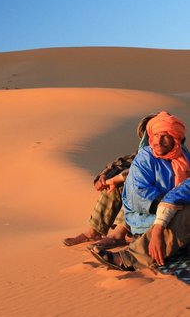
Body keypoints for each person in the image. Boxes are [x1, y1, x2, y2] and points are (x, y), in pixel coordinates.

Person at [90, 111, 190, 271]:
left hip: (171, 210)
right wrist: (168, 208)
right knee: (184, 211)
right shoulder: (144, 157)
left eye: (165, 135)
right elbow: (140, 194)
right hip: (147, 219)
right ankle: (129, 258)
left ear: (176, 139)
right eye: (155, 134)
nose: (158, 140)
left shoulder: (184, 159)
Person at [63, 115, 155, 247]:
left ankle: (119, 234)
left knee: (134, 187)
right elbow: (123, 162)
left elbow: (142, 172)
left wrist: (117, 178)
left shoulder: (175, 156)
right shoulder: (144, 153)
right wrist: (105, 176)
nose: (153, 138)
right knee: (113, 186)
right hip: (143, 212)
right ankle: (94, 231)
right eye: (150, 133)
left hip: (159, 210)